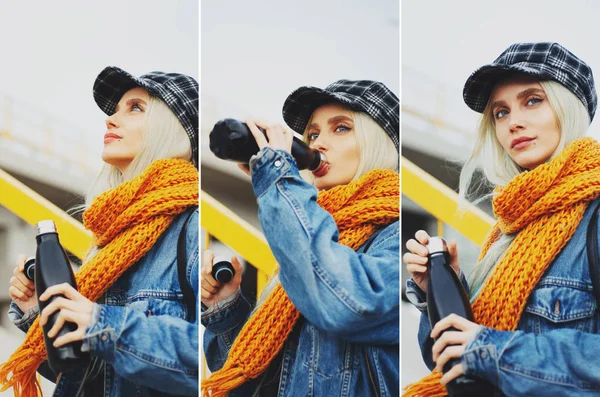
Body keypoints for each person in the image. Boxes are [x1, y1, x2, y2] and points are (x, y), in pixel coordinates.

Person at [404, 42, 600, 396]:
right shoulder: (508, 228)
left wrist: (492, 349)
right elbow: (448, 364)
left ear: (568, 109)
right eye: (500, 112)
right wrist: (441, 288)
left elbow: (482, 351)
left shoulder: (594, 213)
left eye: (533, 101)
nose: (514, 122)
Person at [2, 66, 199, 397]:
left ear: (172, 129)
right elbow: (87, 377)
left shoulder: (193, 225)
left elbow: (212, 359)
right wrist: (38, 313)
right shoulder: (113, 236)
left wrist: (101, 323)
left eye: (135, 107)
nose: (110, 119)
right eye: (114, 109)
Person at [201, 80, 400, 396]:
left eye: (341, 128)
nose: (319, 143)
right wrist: (224, 310)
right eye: (313, 134)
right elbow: (253, 385)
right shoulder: (308, 228)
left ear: (377, 142)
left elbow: (346, 305)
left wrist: (278, 179)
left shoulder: (393, 236)